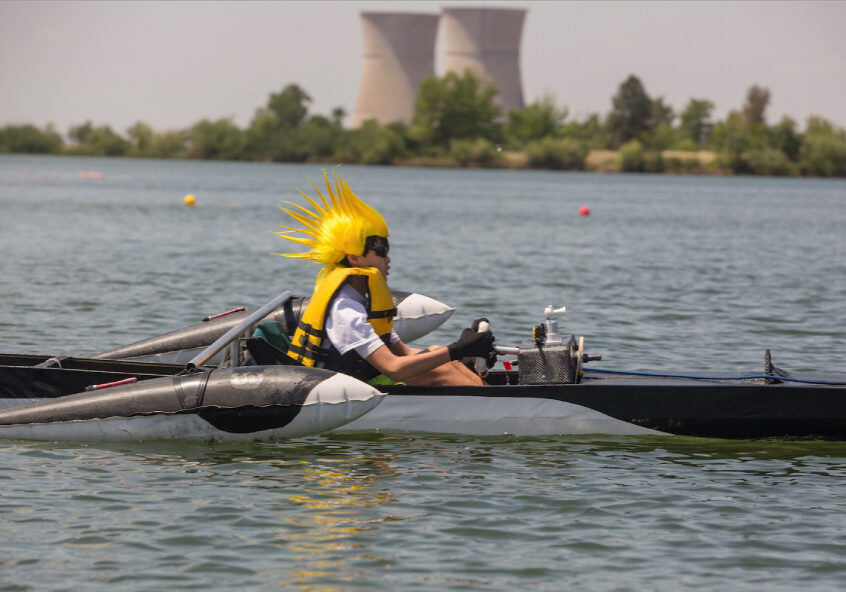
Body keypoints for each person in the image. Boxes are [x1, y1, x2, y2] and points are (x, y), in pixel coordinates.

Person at [278, 172, 494, 386]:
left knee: (438, 352)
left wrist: (462, 354)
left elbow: (406, 352)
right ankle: (496, 408)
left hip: (365, 378)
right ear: (354, 258)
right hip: (342, 392)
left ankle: (488, 395)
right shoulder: (345, 309)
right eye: (380, 251)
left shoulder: (363, 298)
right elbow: (394, 369)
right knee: (440, 370)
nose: (387, 259)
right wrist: (457, 350)